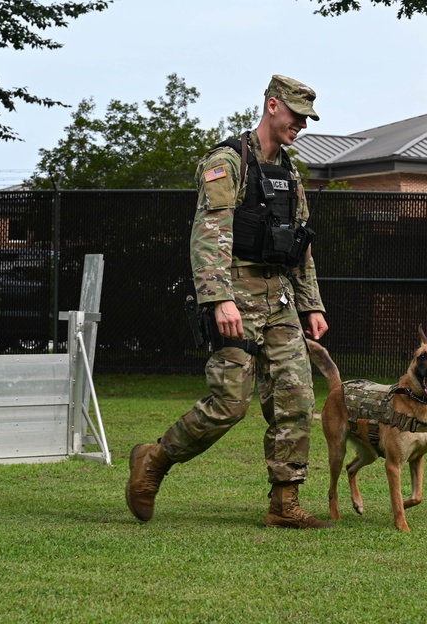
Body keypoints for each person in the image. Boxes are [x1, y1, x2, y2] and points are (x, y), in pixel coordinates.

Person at [126, 75, 332, 529]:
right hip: (235, 296)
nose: (301, 124)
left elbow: (301, 244)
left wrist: (310, 304)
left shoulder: (289, 172)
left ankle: (285, 501)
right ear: (273, 106)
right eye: (296, 115)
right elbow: (209, 235)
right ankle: (155, 459)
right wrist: (218, 299)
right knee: (229, 403)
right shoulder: (228, 162)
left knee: (296, 398)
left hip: (278, 298)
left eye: (307, 119)